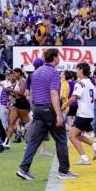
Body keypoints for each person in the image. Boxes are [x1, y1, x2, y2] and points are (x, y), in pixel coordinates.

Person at [17, 48, 74, 181]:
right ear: (54, 58)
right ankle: (64, 171)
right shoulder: (54, 72)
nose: (59, 59)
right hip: (49, 109)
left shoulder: (36, 72)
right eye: (58, 57)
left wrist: (34, 109)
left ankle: (23, 169)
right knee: (61, 139)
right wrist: (59, 115)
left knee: (34, 141)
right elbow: (54, 93)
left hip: (38, 108)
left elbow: (31, 92)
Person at [63, 62, 96, 165]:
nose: (76, 72)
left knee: (72, 135)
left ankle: (84, 158)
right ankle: (95, 146)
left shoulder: (80, 83)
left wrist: (63, 106)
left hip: (83, 113)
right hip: (89, 114)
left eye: (77, 70)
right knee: (78, 135)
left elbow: (73, 98)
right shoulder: (90, 83)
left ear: (81, 70)